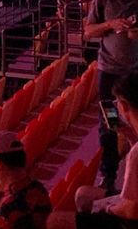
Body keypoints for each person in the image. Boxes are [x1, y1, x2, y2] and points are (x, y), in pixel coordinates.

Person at [47, 66, 138, 229]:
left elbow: (131, 210)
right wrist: (129, 135)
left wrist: (107, 208)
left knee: (54, 221)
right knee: (83, 194)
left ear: (124, 106)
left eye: (117, 102)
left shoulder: (136, 155)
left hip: (131, 219)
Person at [85, 0, 138, 191]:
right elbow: (88, 32)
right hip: (108, 71)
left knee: (136, 119)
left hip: (135, 73)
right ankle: (109, 174)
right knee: (109, 122)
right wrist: (110, 24)